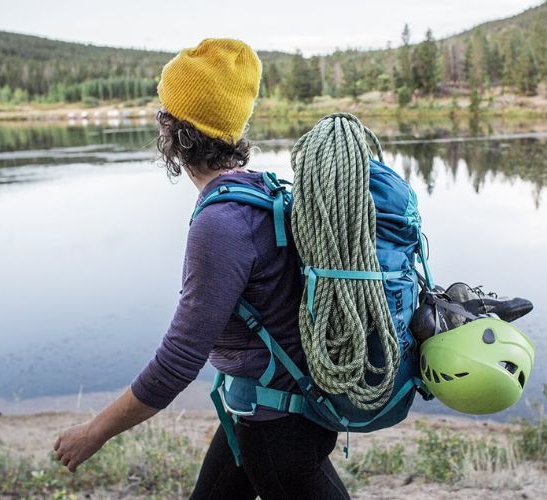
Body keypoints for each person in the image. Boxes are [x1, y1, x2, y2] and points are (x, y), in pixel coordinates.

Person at [52, 38, 350, 499]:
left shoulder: (221, 223)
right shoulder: (260, 192)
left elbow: (178, 361)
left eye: (164, 111)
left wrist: (95, 432)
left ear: (175, 130)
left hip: (277, 432)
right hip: (259, 410)